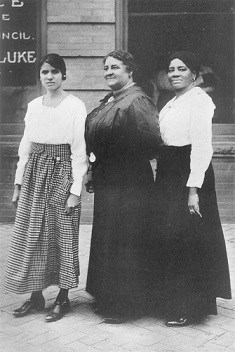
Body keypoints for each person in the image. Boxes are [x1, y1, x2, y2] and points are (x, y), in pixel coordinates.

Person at [5, 53, 87, 322]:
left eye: (54, 72)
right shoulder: (33, 105)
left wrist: (75, 191)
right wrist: (18, 183)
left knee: (61, 233)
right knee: (32, 233)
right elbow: (25, 147)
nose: (49, 77)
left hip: (61, 170)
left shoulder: (75, 105)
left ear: (64, 75)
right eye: (44, 72)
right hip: (34, 173)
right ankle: (35, 295)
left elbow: (79, 151)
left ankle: (63, 297)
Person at [85, 50, 162, 324]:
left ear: (130, 71)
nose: (108, 72)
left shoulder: (138, 100)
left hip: (130, 181)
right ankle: (108, 297)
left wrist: (123, 156)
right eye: (105, 67)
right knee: (110, 237)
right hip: (109, 180)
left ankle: (127, 305)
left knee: (127, 239)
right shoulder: (112, 100)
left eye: (114, 67)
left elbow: (153, 140)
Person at [155, 51, 231, 327]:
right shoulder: (172, 102)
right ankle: (175, 301)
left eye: (181, 69)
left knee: (188, 239)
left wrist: (193, 189)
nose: (175, 73)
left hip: (187, 173)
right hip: (168, 172)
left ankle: (191, 307)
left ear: (194, 74)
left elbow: (201, 146)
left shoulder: (199, 101)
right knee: (172, 237)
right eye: (171, 69)